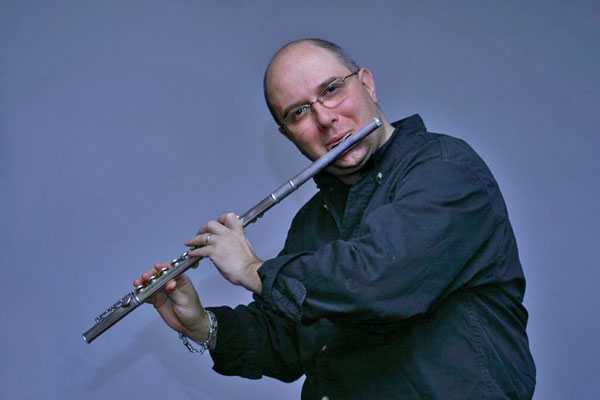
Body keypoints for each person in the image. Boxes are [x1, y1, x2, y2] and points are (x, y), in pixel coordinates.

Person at [134, 38, 536, 399]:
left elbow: (377, 281)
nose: (324, 118)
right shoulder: (313, 220)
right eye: (298, 112)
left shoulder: (445, 169)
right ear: (288, 134)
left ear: (367, 84)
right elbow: (288, 341)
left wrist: (253, 270)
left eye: (331, 90)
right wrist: (202, 325)